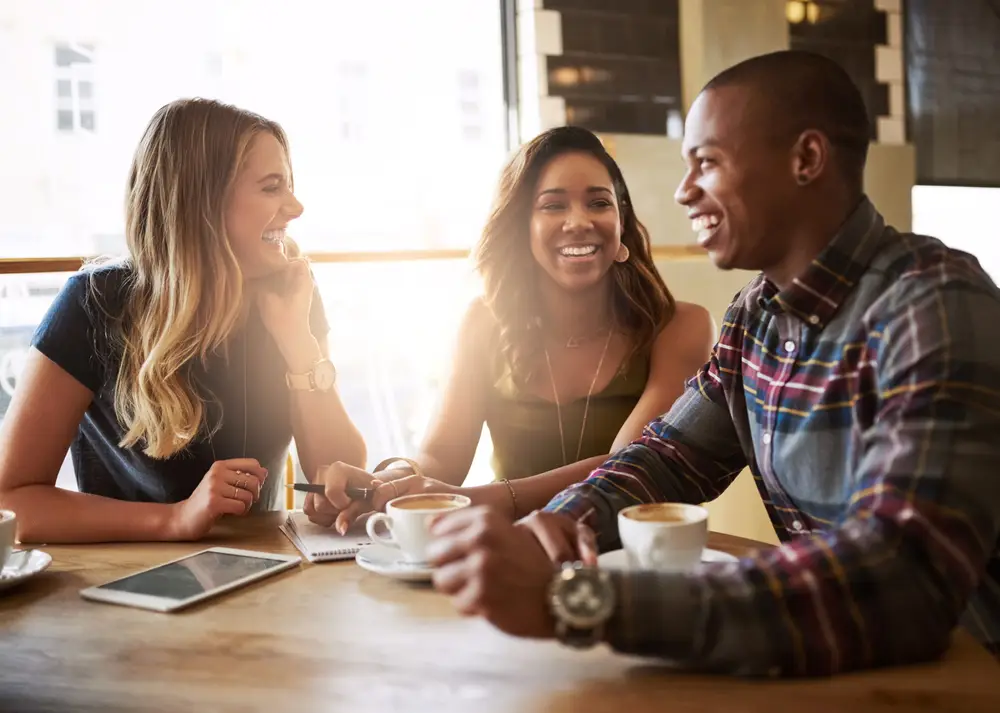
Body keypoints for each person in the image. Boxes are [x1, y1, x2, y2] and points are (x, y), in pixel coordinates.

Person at [422, 50, 1000, 676]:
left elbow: (901, 579)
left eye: (708, 163)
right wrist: (553, 532)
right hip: (837, 673)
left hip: (964, 677)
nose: (683, 191)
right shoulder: (754, 318)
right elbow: (664, 460)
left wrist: (584, 601)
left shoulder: (935, 303)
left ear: (805, 160)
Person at [306, 126, 714, 534]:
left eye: (599, 202)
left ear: (621, 221)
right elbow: (439, 460)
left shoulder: (681, 327)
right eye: (553, 206)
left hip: (629, 566)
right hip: (505, 560)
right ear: (522, 227)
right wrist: (382, 483)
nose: (579, 221)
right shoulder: (483, 323)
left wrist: (482, 499)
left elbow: (629, 470)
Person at [0, 98, 366, 543]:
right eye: (272, 188)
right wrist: (174, 519)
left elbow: (347, 479)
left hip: (261, 578)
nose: (296, 207)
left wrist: (297, 341)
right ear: (203, 202)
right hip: (128, 583)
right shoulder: (93, 304)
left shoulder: (289, 292)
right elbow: (12, 499)